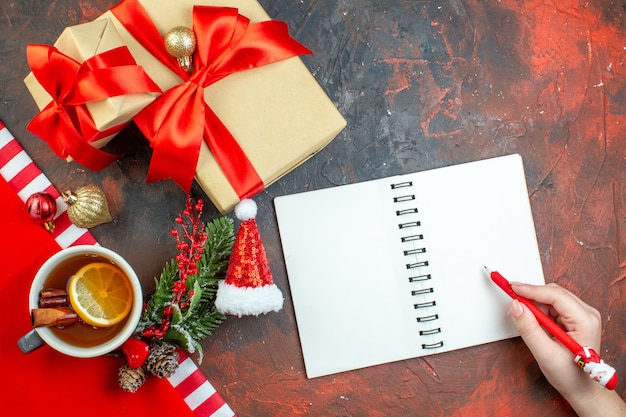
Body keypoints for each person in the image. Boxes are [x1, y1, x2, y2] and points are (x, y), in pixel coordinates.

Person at [509, 282, 626, 416]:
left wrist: (586, 392)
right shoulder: (592, 359)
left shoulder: (591, 366)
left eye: (600, 378)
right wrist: (590, 393)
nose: (598, 376)